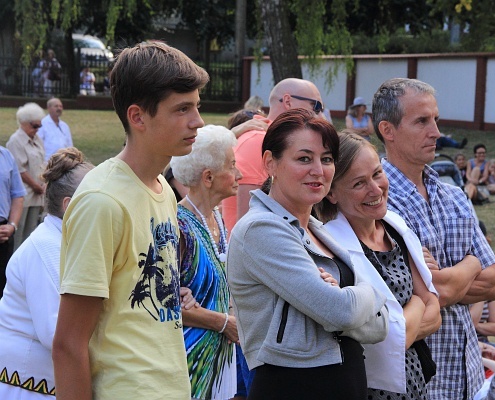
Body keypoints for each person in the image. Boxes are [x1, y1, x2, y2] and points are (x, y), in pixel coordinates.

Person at [52, 41, 209, 400]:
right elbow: (68, 344)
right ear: (138, 117)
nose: (198, 121)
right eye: (182, 109)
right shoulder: (102, 201)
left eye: (196, 107)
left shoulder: (164, 190)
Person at [227, 109, 389, 400]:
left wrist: (349, 298)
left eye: (326, 159)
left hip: (346, 382)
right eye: (304, 158)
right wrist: (369, 291)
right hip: (293, 386)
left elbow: (381, 324)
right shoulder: (260, 229)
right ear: (270, 163)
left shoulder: (318, 229)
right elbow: (340, 312)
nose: (319, 169)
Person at [372, 78, 495, 399]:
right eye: (421, 122)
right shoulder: (377, 202)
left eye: (436, 120)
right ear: (388, 130)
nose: (436, 132)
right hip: (418, 382)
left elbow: (492, 284)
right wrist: (472, 263)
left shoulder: (455, 196)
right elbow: (421, 292)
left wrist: (442, 278)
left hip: (467, 375)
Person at [316, 131, 441, 399]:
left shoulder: (395, 229)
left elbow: (435, 312)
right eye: (359, 183)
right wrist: (417, 305)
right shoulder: (330, 248)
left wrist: (406, 322)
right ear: (333, 193)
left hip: (414, 386)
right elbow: (385, 339)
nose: (375, 189)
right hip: (366, 391)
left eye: (377, 174)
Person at [0, 147, 93, 399]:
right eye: (99, 198)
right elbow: (56, 333)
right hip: (29, 385)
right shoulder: (47, 248)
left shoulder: (66, 243)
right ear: (70, 206)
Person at [170, 125, 242, 399]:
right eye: (232, 166)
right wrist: (224, 322)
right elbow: (164, 304)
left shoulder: (217, 220)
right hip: (189, 363)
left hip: (218, 360)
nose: (240, 174)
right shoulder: (178, 225)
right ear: (208, 177)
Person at [221, 78, 326, 234]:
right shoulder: (258, 141)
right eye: (316, 106)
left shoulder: (266, 138)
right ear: (288, 101)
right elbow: (249, 225)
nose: (321, 117)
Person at [6, 102, 46, 249]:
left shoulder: (38, 140)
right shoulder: (15, 141)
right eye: (34, 126)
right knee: (19, 232)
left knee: (32, 233)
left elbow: (43, 163)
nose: (37, 130)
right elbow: (19, 169)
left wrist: (44, 183)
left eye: (39, 126)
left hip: (37, 194)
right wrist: (36, 185)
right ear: (23, 123)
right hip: (24, 194)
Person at [0, 146, 25, 296]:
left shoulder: (6, 155)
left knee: (3, 288)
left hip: (4, 233)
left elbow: (17, 195)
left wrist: (12, 226)